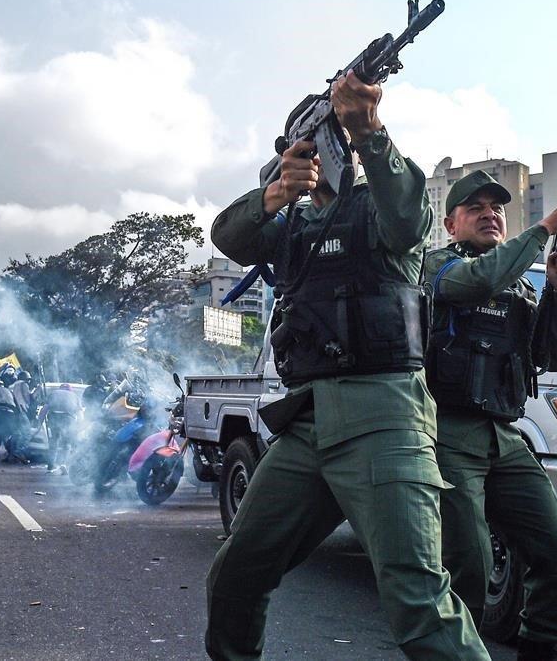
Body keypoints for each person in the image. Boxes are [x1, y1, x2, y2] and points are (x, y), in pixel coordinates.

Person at [204, 70, 490, 660]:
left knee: (419, 603)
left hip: (386, 416)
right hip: (309, 421)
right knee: (237, 574)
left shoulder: (379, 207)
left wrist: (370, 129)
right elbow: (228, 236)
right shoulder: (292, 224)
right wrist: (275, 194)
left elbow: (411, 217)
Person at [423, 171, 557, 659]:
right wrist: (543, 229)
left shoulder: (521, 285)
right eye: (475, 207)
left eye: (496, 207)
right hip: (447, 432)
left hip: (505, 435)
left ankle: (539, 648)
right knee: (467, 564)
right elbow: (477, 280)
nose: (489, 213)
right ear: (451, 224)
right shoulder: (436, 266)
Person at [44, 383, 82, 473]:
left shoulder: (53, 393)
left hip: (54, 417)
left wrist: (39, 421)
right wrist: (79, 424)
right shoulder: (75, 396)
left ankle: (50, 465)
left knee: (54, 441)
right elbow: (80, 413)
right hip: (68, 419)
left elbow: (45, 408)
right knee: (67, 443)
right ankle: (63, 464)